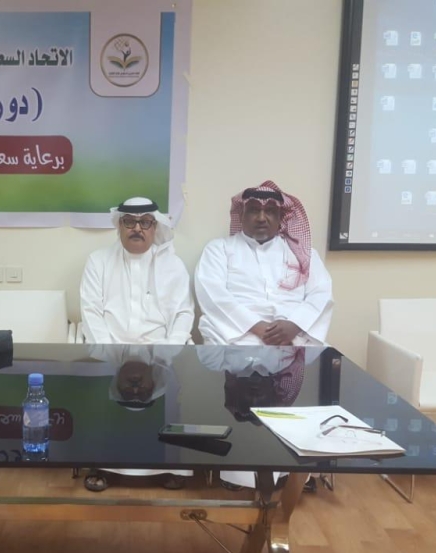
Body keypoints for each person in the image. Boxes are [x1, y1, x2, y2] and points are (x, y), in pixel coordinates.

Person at [195, 181, 333, 346]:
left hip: (296, 338)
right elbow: (213, 295)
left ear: (280, 217)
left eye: (270, 211)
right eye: (254, 210)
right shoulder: (219, 249)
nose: (261, 218)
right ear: (242, 215)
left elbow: (321, 293)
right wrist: (258, 327)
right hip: (235, 337)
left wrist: (294, 325)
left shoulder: (303, 253)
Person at [198, 345, 324, 491]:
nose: (255, 394)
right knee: (243, 428)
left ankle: (283, 476)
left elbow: (309, 344)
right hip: (241, 366)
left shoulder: (285, 384)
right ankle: (241, 476)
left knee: (278, 427)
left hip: (280, 371)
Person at [80, 197, 194, 345]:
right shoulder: (98, 262)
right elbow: (91, 312)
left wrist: (170, 349)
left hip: (161, 351)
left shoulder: (173, 265)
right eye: (129, 221)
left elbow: (183, 313)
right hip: (110, 350)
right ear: (120, 225)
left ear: (155, 227)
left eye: (145, 222)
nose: (137, 229)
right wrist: (107, 353)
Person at [85, 344, 192, 491]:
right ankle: (104, 469)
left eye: (129, 392)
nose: (135, 387)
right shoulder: (169, 351)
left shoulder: (99, 349)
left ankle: (169, 470)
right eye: (142, 391)